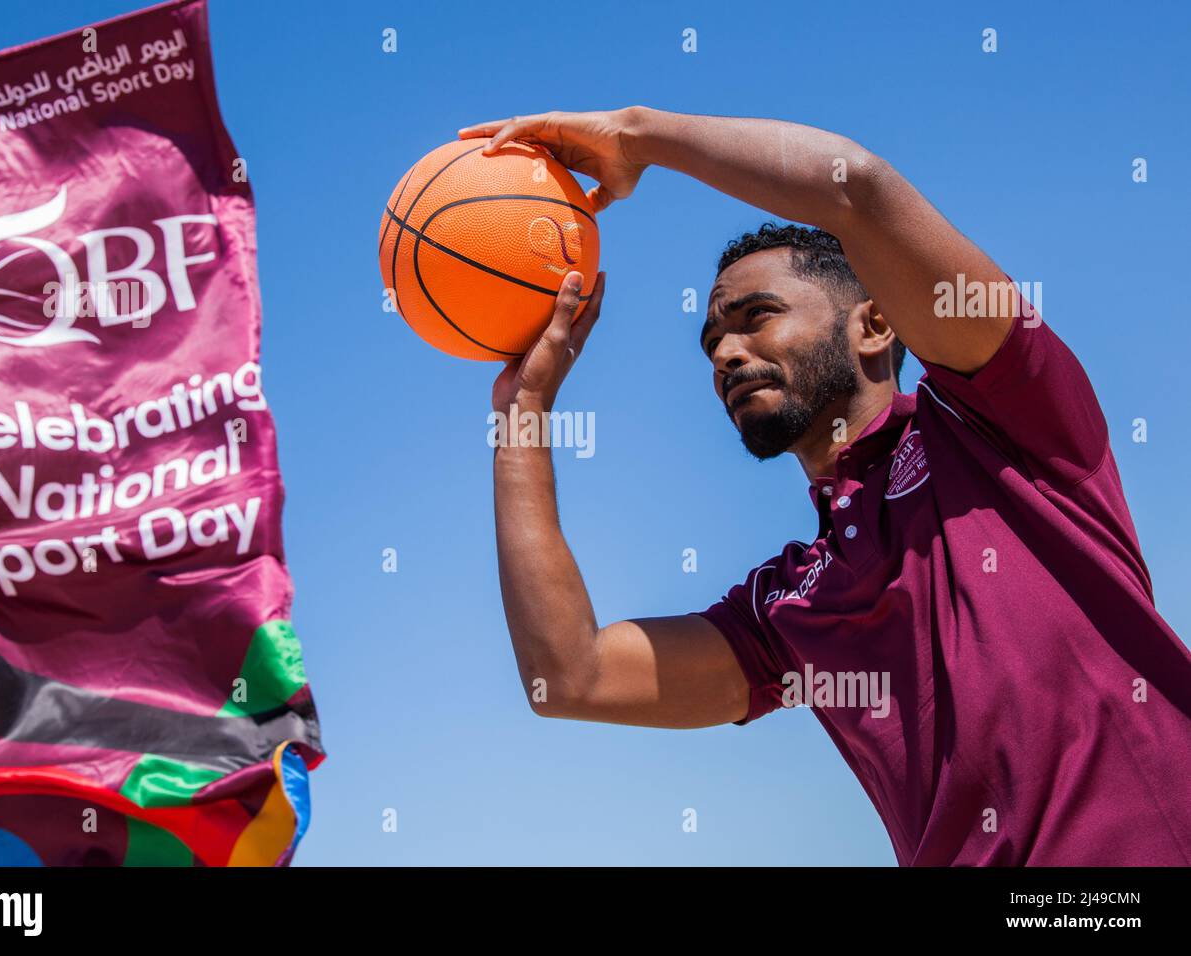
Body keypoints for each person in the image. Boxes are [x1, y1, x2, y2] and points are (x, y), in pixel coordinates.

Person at [460, 107, 1191, 865]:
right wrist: (524, 417)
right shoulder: (789, 606)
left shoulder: (997, 417)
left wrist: (637, 136)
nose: (726, 355)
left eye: (757, 317)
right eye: (713, 340)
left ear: (875, 324)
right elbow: (570, 676)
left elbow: (858, 191)